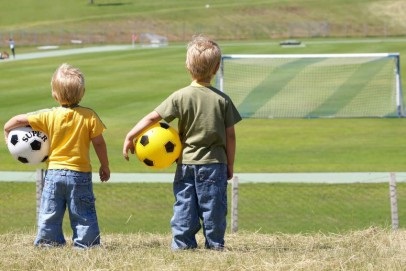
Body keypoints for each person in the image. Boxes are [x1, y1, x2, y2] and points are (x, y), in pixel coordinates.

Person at [123, 36, 242, 250]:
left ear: (188, 66)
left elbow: (152, 118)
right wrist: (230, 164)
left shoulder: (180, 96)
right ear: (216, 68)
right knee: (214, 207)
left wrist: (130, 136)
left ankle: (182, 245)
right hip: (215, 164)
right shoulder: (223, 100)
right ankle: (215, 245)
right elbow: (231, 136)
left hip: (185, 164)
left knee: (184, 204)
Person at [4, 63, 110, 248]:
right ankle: (87, 244)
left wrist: (7, 131)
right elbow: (99, 142)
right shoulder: (89, 115)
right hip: (80, 174)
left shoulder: (48, 115)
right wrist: (105, 165)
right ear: (82, 92)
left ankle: (48, 242)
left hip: (53, 173)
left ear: (54, 94)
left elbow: (18, 120)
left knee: (50, 211)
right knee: (83, 212)